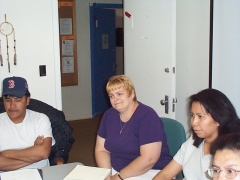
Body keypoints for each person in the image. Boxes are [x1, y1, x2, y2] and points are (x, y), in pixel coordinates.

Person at [95, 75, 172, 180]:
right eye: (111, 96)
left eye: (119, 94)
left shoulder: (148, 116)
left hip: (152, 171)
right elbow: (101, 150)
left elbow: (149, 159)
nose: (115, 99)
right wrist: (107, 175)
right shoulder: (109, 115)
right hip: (117, 171)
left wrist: (119, 177)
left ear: (132, 94)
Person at [153, 88, 240, 180]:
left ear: (219, 118)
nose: (194, 122)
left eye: (200, 116)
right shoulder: (193, 142)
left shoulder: (231, 151)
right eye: (192, 115)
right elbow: (165, 175)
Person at [0, 76, 55, 171]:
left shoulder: (40, 119)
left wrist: (7, 154)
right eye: (8, 100)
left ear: (27, 100)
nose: (12, 106)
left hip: (38, 173)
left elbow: (43, 153)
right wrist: (33, 154)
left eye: (18, 100)